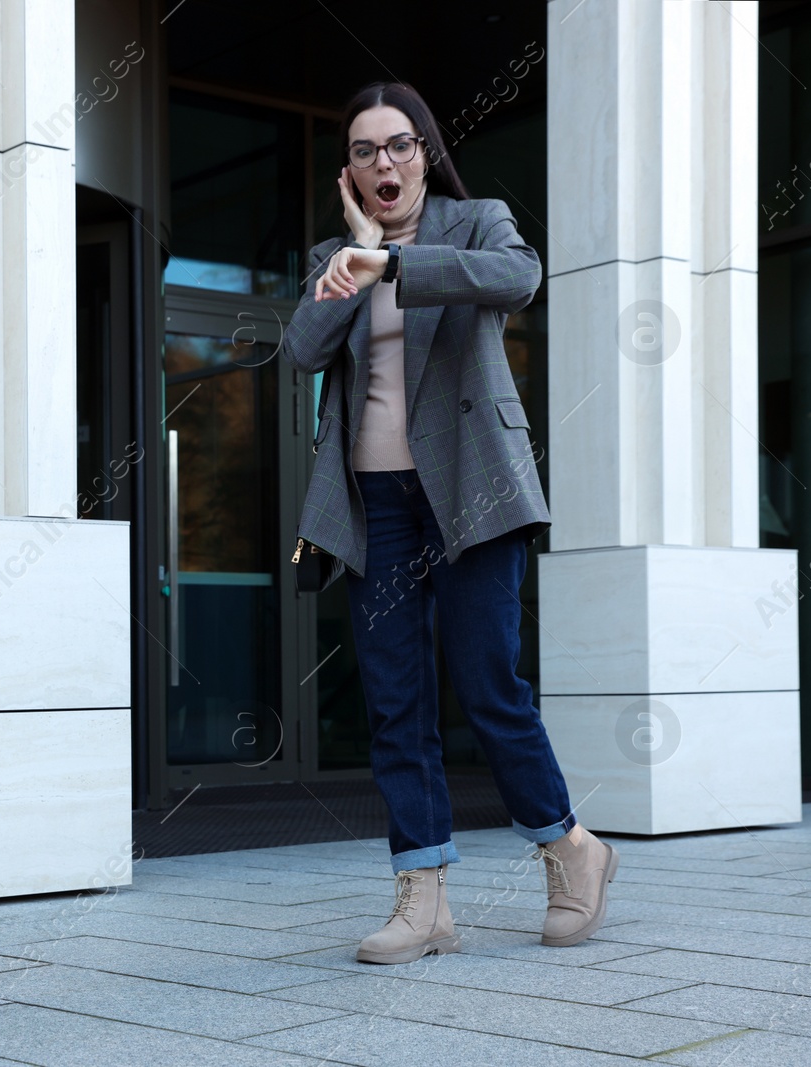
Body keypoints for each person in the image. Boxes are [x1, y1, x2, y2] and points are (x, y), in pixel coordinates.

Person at [281, 81, 620, 965]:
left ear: (424, 152)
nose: (382, 162)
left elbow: (520, 278)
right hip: (376, 504)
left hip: (474, 493)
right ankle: (424, 897)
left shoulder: (477, 225)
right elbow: (302, 352)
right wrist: (356, 260)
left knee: (487, 683)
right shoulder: (334, 253)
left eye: (398, 145)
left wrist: (394, 266)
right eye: (364, 151)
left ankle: (570, 848)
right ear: (349, 171)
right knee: (394, 701)